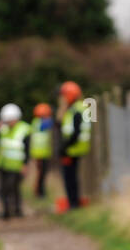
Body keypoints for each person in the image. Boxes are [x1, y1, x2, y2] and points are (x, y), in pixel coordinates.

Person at [0, 103, 30, 219]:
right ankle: (6, 212)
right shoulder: (2, 129)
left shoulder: (24, 129)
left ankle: (17, 210)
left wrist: (25, 164)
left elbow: (27, 148)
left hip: (16, 165)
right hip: (3, 164)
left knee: (13, 187)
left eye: (10, 120)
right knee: (3, 189)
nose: (8, 123)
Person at [57, 81, 91, 209]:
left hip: (72, 150)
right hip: (77, 148)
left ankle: (73, 203)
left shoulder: (75, 110)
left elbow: (75, 133)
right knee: (72, 178)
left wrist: (64, 149)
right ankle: (74, 202)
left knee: (70, 179)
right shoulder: (81, 108)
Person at [28, 102, 54, 198]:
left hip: (43, 152)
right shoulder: (39, 122)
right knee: (40, 174)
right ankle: (39, 192)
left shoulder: (37, 122)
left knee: (42, 173)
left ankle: (40, 191)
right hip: (39, 153)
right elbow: (49, 124)